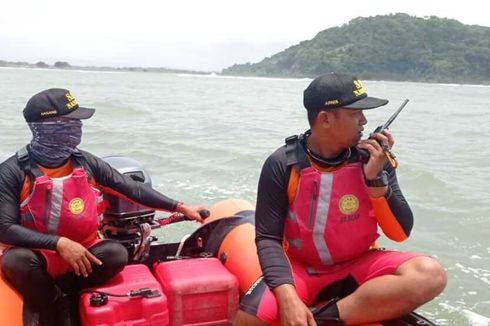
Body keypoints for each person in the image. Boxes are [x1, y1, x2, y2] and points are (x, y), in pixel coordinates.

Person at [234, 73, 447, 325]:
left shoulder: (375, 160)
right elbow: (268, 238)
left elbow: (400, 233)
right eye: (355, 113)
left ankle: (321, 319)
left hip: (359, 264)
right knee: (248, 319)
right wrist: (287, 296)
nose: (364, 120)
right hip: (302, 268)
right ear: (325, 118)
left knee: (431, 274)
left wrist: (375, 180)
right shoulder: (282, 164)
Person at [0, 88, 206, 325]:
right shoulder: (12, 172)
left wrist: (181, 207)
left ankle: (67, 291)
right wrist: (59, 243)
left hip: (84, 250)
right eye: (71, 121)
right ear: (47, 126)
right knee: (15, 261)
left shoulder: (85, 162)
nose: (77, 127)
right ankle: (53, 300)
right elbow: (4, 227)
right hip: (41, 254)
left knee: (115, 254)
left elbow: (132, 189)